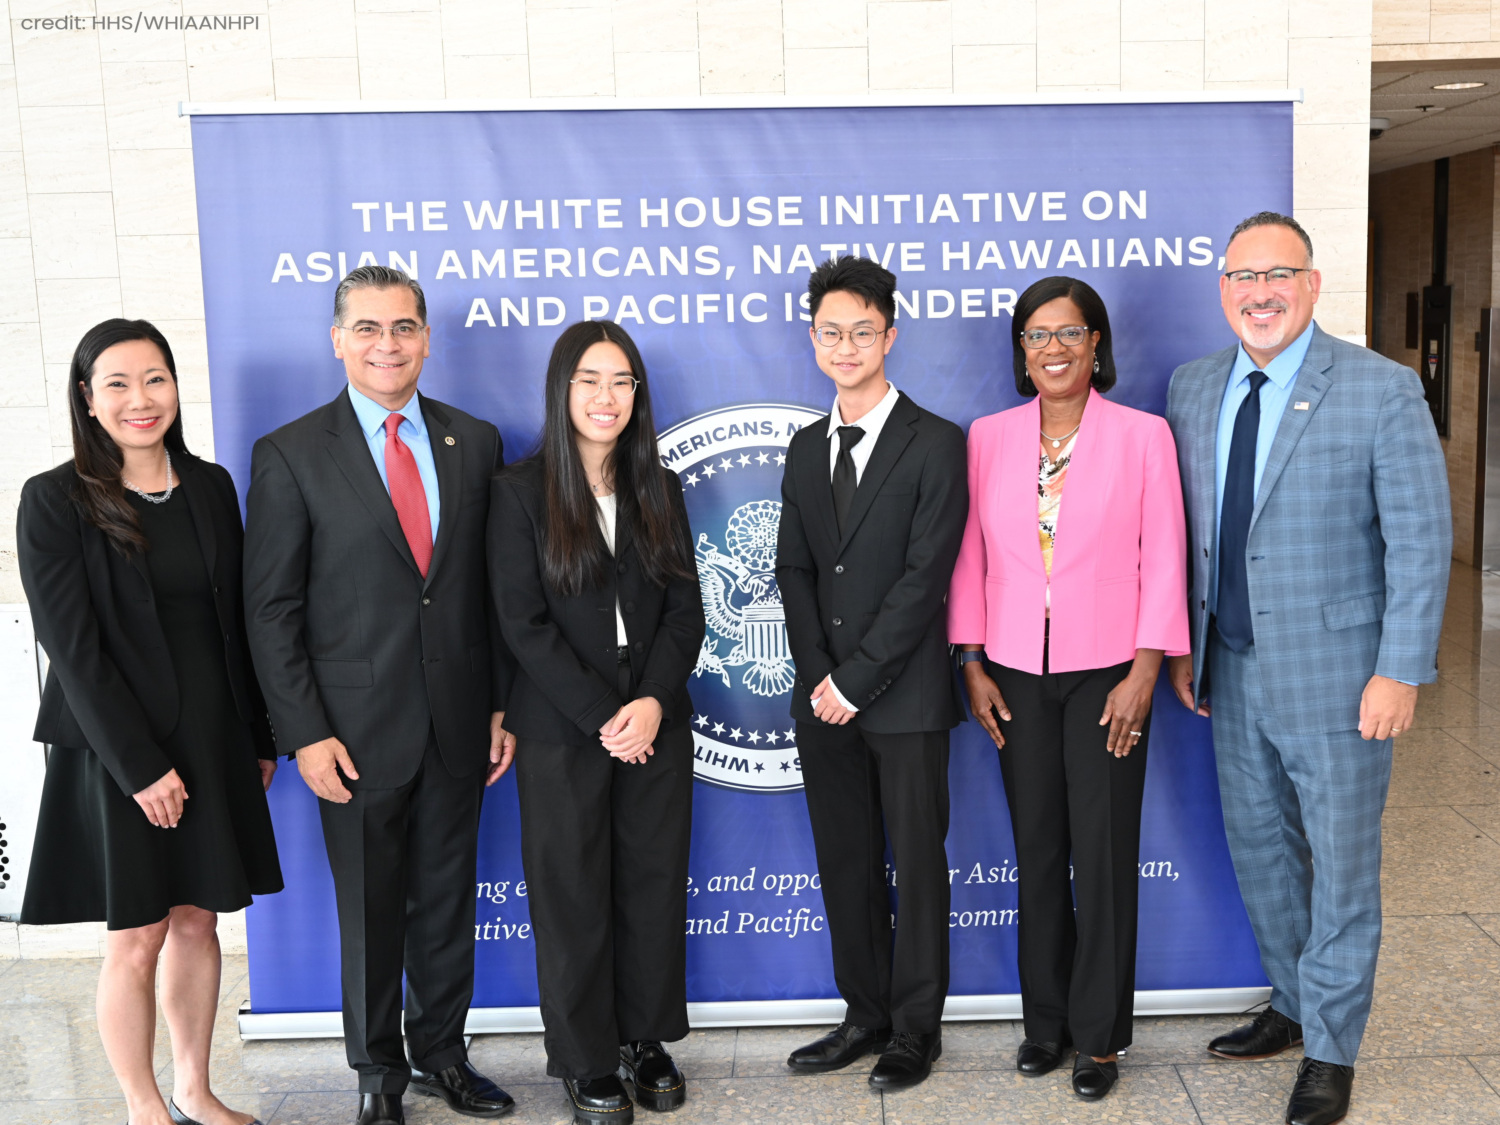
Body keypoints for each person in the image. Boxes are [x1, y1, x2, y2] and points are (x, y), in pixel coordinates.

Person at [1165, 212, 1451, 1125]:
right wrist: (1188, 646)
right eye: (1244, 277)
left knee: (1340, 864)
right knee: (1263, 854)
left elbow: (1419, 538)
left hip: (1342, 675)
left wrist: (1400, 669)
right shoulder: (1193, 387)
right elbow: (1196, 537)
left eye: (1279, 275)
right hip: (1231, 672)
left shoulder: (1381, 389)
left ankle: (1331, 1047)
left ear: (1313, 284)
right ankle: (1291, 1001)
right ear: (1222, 290)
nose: (1261, 293)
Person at [243, 266, 516, 1125]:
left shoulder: (474, 441)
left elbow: (490, 590)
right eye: (367, 328)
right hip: (352, 735)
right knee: (368, 915)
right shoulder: (290, 452)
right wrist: (304, 733)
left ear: (427, 337)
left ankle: (444, 1055)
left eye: (402, 327)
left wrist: (500, 704)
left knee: (447, 901)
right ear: (337, 339)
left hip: (461, 722)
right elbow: (272, 608)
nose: (387, 344)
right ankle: (378, 1077)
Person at [17, 318, 282, 1125]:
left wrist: (258, 736)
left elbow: (236, 621)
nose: (141, 399)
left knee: (200, 920)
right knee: (137, 933)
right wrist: (138, 767)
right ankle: (143, 1105)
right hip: (117, 751)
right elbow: (72, 650)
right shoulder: (53, 500)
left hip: (212, 736)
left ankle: (196, 1090)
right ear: (88, 401)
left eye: (155, 379)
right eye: (119, 384)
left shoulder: (209, 486)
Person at [947, 276, 1189, 1100]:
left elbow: (1165, 552)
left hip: (1110, 673)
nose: (1053, 347)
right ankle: (1044, 1023)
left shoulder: (1143, 435)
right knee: (1039, 850)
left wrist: (1147, 667)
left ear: (1096, 345)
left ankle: (1100, 1038)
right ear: (1021, 350)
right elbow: (971, 554)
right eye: (1036, 334)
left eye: (1070, 332)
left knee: (1105, 853)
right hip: (1013, 669)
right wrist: (971, 660)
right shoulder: (987, 437)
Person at [488, 321, 704, 1125]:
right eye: (590, 380)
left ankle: (645, 1038)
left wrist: (648, 702)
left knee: (651, 881)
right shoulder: (518, 492)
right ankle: (584, 1056)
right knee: (571, 892)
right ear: (561, 389)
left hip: (654, 717)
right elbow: (522, 622)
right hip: (562, 724)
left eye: (621, 381)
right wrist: (601, 715)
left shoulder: (661, 486)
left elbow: (687, 610)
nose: (606, 397)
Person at [776, 256, 969, 1091]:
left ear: (890, 334)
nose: (845, 344)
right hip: (824, 700)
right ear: (813, 337)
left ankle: (916, 1028)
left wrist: (857, 680)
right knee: (844, 858)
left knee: (917, 862)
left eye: (862, 330)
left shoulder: (936, 442)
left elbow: (926, 577)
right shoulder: (803, 444)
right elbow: (796, 572)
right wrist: (824, 679)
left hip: (907, 696)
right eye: (830, 331)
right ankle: (865, 1012)